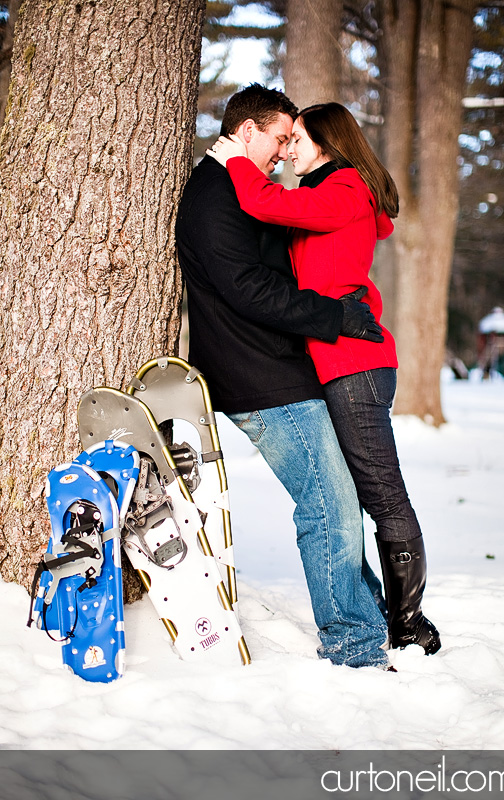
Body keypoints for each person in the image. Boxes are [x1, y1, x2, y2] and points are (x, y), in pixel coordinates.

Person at [208, 102, 441, 655]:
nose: (288, 151)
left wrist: (233, 160)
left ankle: (409, 625)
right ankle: (391, 613)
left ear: (329, 144)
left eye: (298, 140)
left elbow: (264, 201)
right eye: (283, 142)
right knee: (356, 490)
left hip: (353, 364)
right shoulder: (330, 192)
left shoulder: (343, 189)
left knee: (381, 493)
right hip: (336, 361)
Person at [176, 85, 391, 670]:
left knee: (336, 501)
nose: (283, 150)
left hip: (281, 367)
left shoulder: (239, 186)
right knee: (328, 505)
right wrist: (334, 316)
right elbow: (247, 288)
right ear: (248, 131)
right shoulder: (212, 193)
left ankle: (368, 623)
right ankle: (355, 644)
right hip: (258, 373)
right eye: (279, 137)